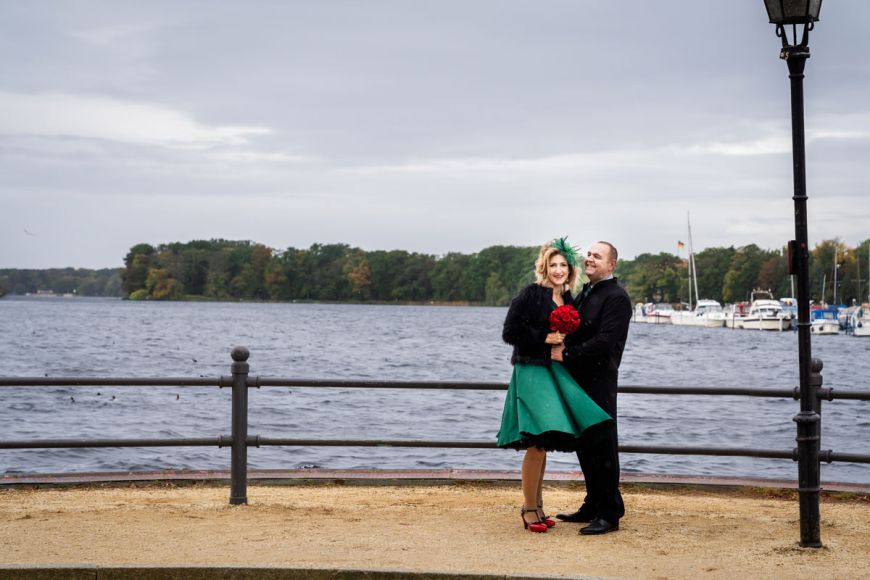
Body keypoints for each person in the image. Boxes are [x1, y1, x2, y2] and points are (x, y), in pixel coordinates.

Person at [497, 238, 613, 533]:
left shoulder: (569, 299)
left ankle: (538, 507)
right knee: (536, 442)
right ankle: (527, 510)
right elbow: (510, 332)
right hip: (531, 372)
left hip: (553, 372)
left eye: (563, 265)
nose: (558, 270)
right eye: (553, 265)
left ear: (570, 270)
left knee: (544, 442)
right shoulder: (532, 294)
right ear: (544, 267)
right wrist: (543, 338)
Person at [553, 241, 632, 535]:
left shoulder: (617, 298)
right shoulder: (587, 292)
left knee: (603, 447)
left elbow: (605, 342)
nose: (589, 259)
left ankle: (610, 514)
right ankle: (594, 503)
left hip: (600, 381)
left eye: (597, 256)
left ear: (611, 265)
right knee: (585, 444)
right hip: (579, 380)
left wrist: (567, 354)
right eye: (588, 254)